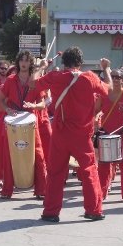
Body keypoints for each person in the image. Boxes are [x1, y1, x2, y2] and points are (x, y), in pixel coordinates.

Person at [29, 47, 112, 223]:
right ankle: (93, 210)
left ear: (64, 62)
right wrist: (106, 69)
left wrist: (40, 67)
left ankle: (51, 212)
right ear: (80, 63)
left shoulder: (56, 77)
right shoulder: (90, 77)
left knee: (55, 173)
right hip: (82, 134)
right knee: (89, 171)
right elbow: (109, 90)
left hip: (60, 133)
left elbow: (32, 84)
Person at [0, 50, 47, 199]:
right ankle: (7, 190)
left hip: (31, 124)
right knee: (9, 156)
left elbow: (43, 104)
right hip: (13, 124)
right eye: (21, 60)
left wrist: (34, 106)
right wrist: (7, 109)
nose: (24, 63)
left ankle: (41, 190)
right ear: (18, 63)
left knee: (38, 156)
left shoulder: (35, 80)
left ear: (31, 63)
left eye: (27, 60)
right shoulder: (10, 80)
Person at [95, 67, 123, 202]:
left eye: (118, 77)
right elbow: (95, 110)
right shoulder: (104, 94)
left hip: (122, 132)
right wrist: (96, 118)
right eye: (113, 77)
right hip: (107, 133)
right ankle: (101, 194)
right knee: (105, 165)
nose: (115, 79)